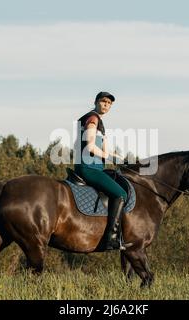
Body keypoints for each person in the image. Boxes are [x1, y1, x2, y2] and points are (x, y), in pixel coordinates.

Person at [74, 91, 128, 250]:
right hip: (89, 168)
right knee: (121, 194)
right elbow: (91, 147)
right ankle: (111, 238)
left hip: (96, 167)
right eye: (103, 101)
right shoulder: (92, 119)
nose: (106, 105)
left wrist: (121, 159)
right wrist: (111, 158)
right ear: (96, 102)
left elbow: (106, 150)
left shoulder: (99, 122)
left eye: (109, 103)